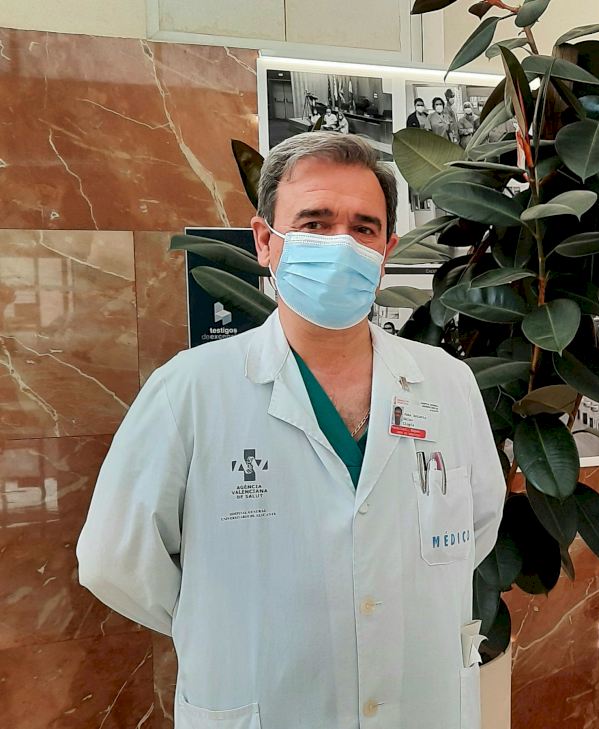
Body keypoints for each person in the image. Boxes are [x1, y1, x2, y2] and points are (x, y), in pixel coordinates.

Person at [76, 132, 505, 728]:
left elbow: (477, 525)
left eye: (363, 228)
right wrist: (227, 624)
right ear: (264, 242)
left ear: (386, 250)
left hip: (420, 702)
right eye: (314, 223)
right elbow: (114, 559)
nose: (340, 245)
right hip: (267, 704)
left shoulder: (446, 383)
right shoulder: (190, 390)